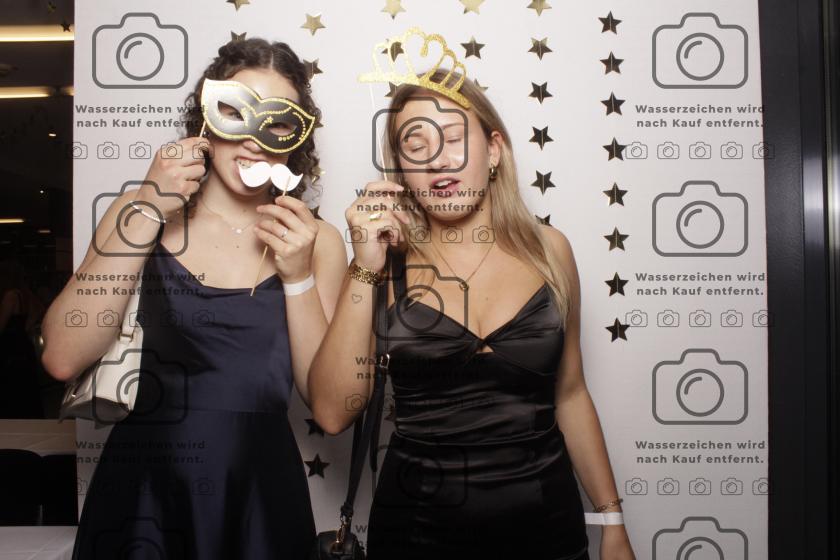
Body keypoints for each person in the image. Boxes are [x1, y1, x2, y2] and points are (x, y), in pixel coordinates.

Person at [308, 70, 636, 559]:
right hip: (416, 534)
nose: (437, 158)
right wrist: (364, 268)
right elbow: (333, 413)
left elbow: (570, 393)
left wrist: (612, 521)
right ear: (401, 172)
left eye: (454, 137)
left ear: (494, 150)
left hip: (548, 529)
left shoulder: (550, 251)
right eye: (415, 146)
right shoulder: (385, 265)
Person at [40, 38, 347, 559]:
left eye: (276, 122)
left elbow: (331, 406)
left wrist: (297, 276)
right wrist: (149, 207)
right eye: (236, 111)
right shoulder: (138, 210)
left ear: (296, 137)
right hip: (144, 494)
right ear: (206, 117)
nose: (254, 139)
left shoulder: (317, 241)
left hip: (258, 497)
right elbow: (62, 356)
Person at [0, 258, 45, 418]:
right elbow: (39, 310)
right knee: (25, 388)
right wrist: (25, 328)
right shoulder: (25, 294)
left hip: (10, 348)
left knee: (11, 388)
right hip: (23, 345)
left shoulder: (10, 296)